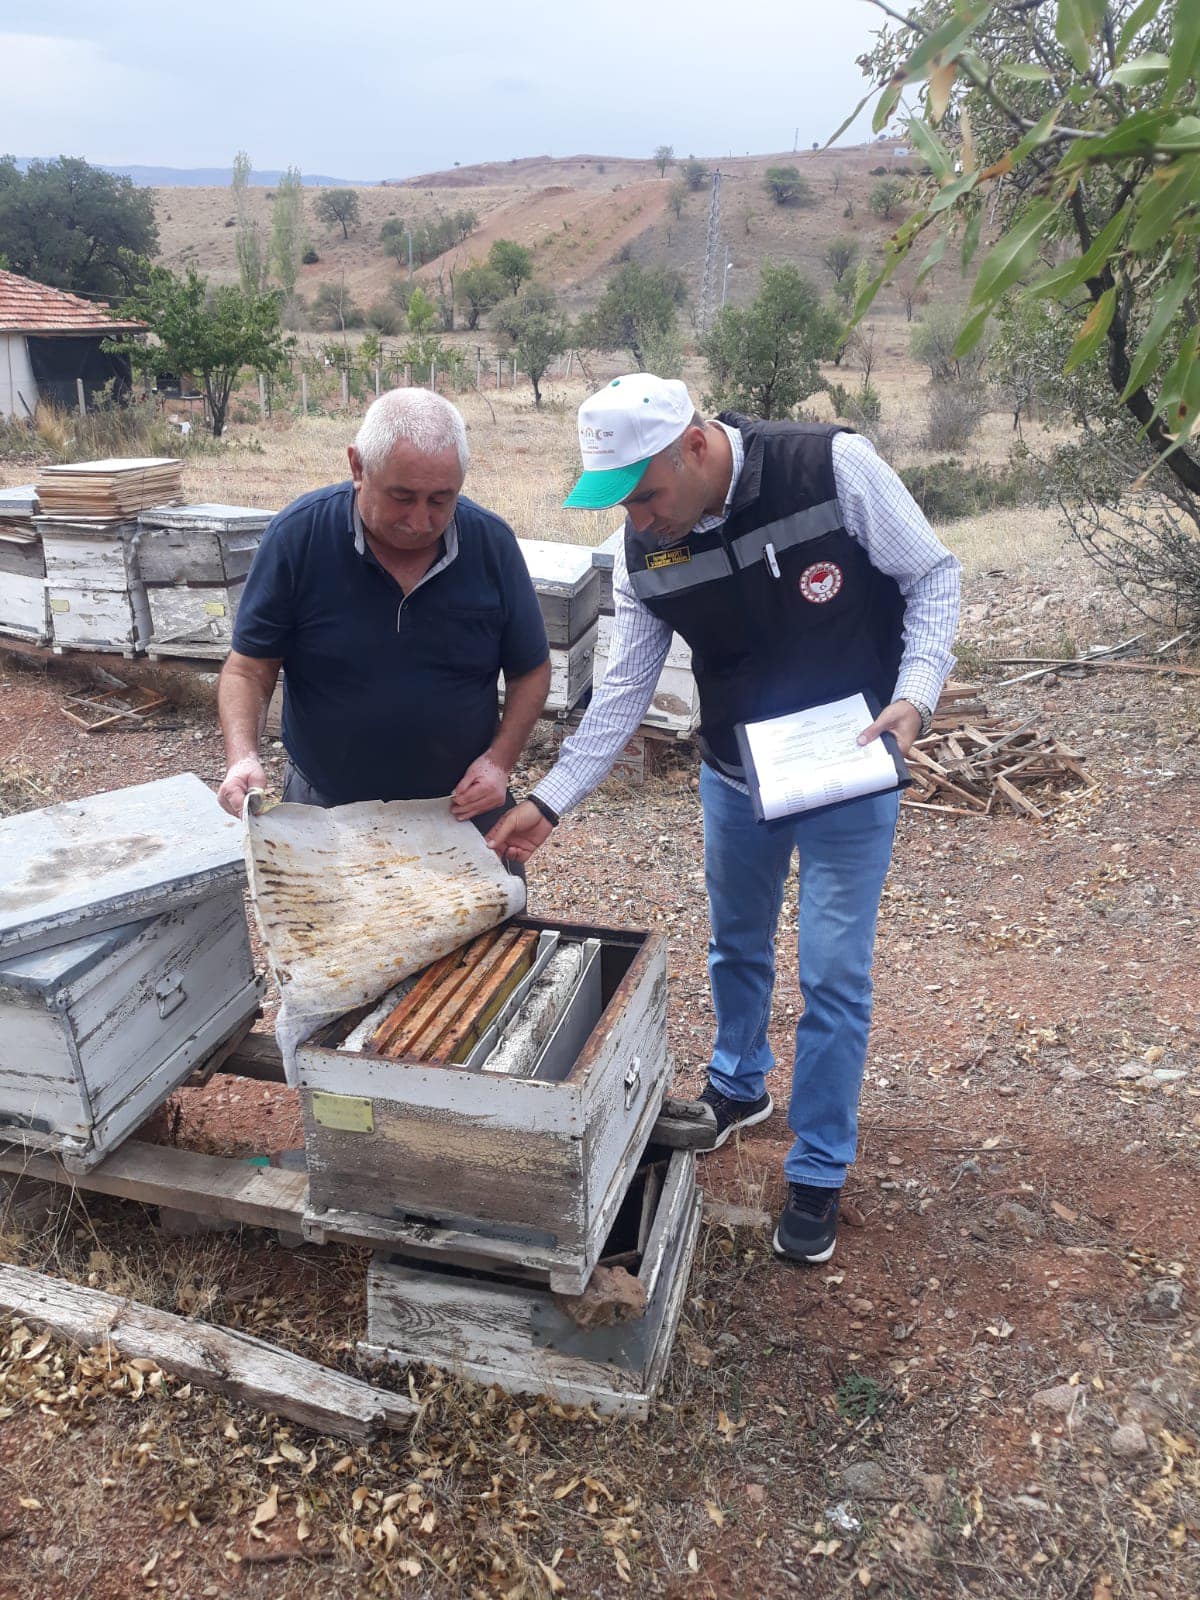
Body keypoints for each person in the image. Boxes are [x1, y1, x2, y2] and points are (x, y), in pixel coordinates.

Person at [487, 374, 961, 1264]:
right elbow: (621, 693)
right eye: (620, 504)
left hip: (849, 766)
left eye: (647, 494)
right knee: (737, 943)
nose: (638, 519)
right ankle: (741, 1083)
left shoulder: (830, 468)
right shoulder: (641, 555)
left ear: (696, 446)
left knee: (832, 976)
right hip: (737, 776)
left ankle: (819, 1167)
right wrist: (549, 801)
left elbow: (933, 574)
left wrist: (916, 696)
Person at [217, 388, 550, 840]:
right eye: (402, 496)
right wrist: (242, 757)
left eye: (440, 500)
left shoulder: (492, 545)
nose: (420, 520)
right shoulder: (298, 537)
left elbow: (531, 670)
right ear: (357, 467)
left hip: (461, 807)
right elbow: (248, 669)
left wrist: (499, 762)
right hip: (326, 806)